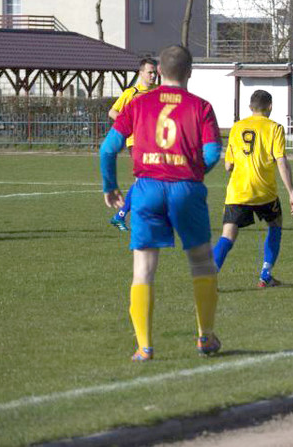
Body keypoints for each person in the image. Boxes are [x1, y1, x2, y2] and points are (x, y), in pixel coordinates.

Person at [99, 45, 223, 361]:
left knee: (143, 270)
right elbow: (211, 154)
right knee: (201, 262)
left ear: (159, 73)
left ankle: (144, 346)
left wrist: (111, 186)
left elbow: (107, 150)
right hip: (186, 188)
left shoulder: (138, 103)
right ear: (190, 72)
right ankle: (205, 337)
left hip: (147, 189)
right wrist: (192, 172)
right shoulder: (202, 107)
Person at [212, 90, 293, 287]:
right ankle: (266, 274)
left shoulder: (236, 127)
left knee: (227, 235)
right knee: (275, 225)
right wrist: (292, 193)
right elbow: (281, 161)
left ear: (250, 107)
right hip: (264, 191)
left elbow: (228, 166)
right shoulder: (275, 128)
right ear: (270, 106)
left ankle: (208, 278)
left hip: (238, 191)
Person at [107, 57, 159, 231]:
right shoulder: (131, 93)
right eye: (150, 72)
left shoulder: (160, 92)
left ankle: (121, 215)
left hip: (154, 142)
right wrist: (131, 124)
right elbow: (113, 112)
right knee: (144, 179)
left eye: (155, 72)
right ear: (141, 73)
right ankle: (124, 215)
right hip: (136, 142)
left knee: (149, 180)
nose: (153, 75)